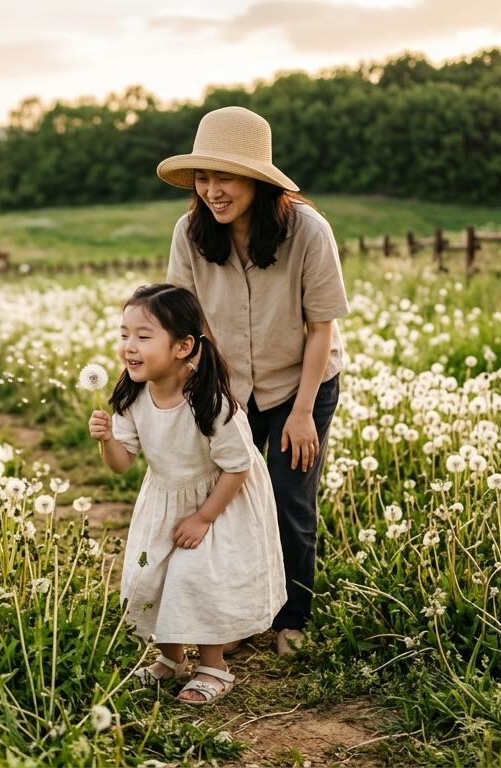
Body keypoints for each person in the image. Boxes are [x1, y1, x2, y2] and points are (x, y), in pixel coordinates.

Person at [157, 106, 349, 656]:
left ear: (257, 180)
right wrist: (186, 395)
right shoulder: (189, 233)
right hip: (227, 389)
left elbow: (320, 328)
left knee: (290, 499)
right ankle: (236, 616)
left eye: (225, 177)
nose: (212, 191)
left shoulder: (308, 231)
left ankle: (291, 618)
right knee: (229, 501)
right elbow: (185, 321)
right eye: (203, 177)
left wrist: (303, 412)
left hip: (301, 383)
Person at [87, 283, 285, 704]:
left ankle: (215, 666)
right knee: (150, 577)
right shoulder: (132, 395)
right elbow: (122, 463)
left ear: (183, 346)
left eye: (143, 336)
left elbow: (238, 466)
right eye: (124, 334)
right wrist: (107, 440)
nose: (129, 346)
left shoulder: (210, 401)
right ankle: (171, 659)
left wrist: (203, 518)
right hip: (164, 499)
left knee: (197, 579)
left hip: (219, 500)